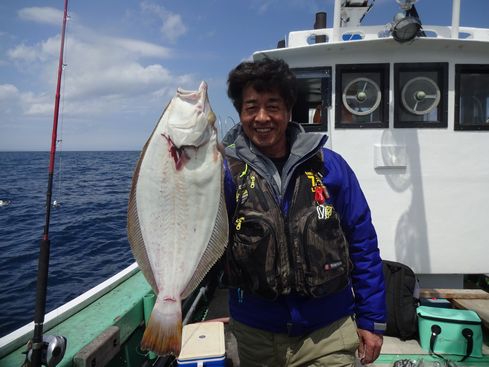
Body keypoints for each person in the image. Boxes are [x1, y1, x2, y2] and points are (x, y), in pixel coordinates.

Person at [220, 57, 386, 367]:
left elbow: (362, 242)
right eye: (251, 107)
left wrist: (371, 319)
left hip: (328, 333)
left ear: (288, 109)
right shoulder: (226, 173)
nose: (262, 117)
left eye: (273, 106)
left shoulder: (330, 165)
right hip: (254, 334)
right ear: (240, 112)